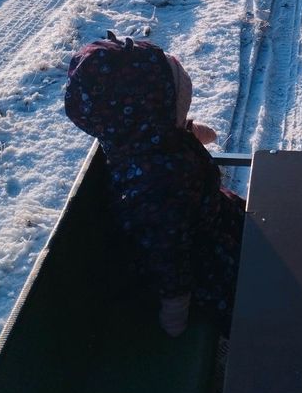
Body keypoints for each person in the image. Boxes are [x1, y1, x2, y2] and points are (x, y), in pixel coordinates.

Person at [64, 30, 244, 338]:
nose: (183, 113)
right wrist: (175, 311)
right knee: (259, 292)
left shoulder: (133, 139)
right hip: (200, 262)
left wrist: (191, 131)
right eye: (178, 106)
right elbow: (168, 257)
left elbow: (169, 136)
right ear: (154, 113)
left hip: (208, 220)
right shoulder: (157, 191)